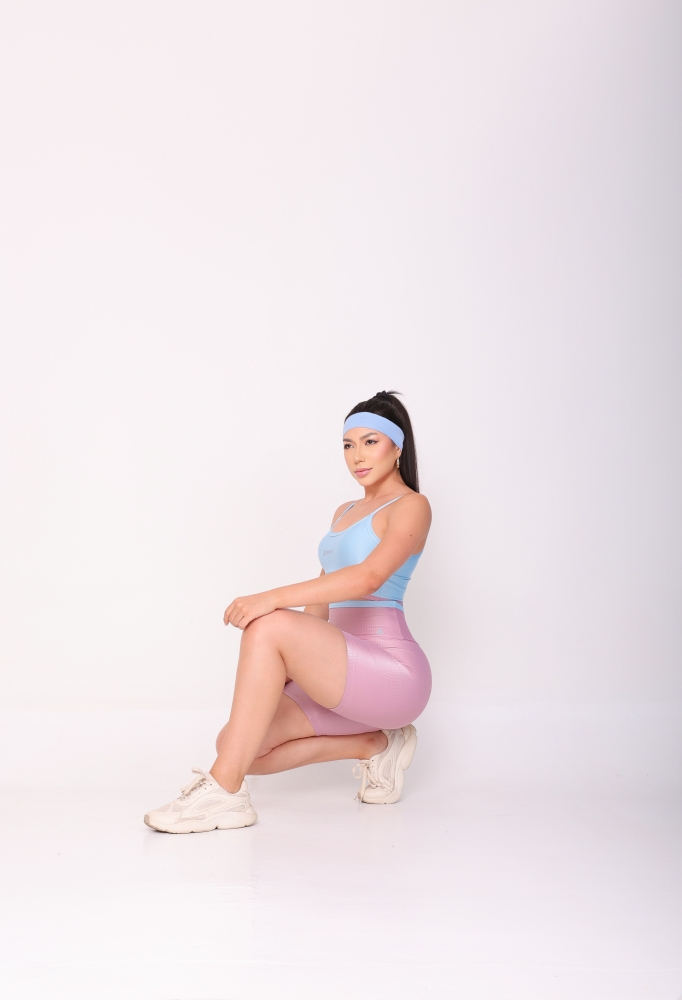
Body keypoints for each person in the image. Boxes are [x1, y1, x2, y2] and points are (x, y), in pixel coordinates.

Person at [144, 390, 432, 833]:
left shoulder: (412, 506)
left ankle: (224, 795)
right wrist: (284, 670)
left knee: (269, 625)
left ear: (397, 448)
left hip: (392, 674)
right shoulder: (345, 512)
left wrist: (270, 599)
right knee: (238, 744)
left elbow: (368, 578)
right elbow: (319, 610)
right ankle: (374, 745)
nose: (357, 456)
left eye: (370, 442)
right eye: (348, 445)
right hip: (341, 669)